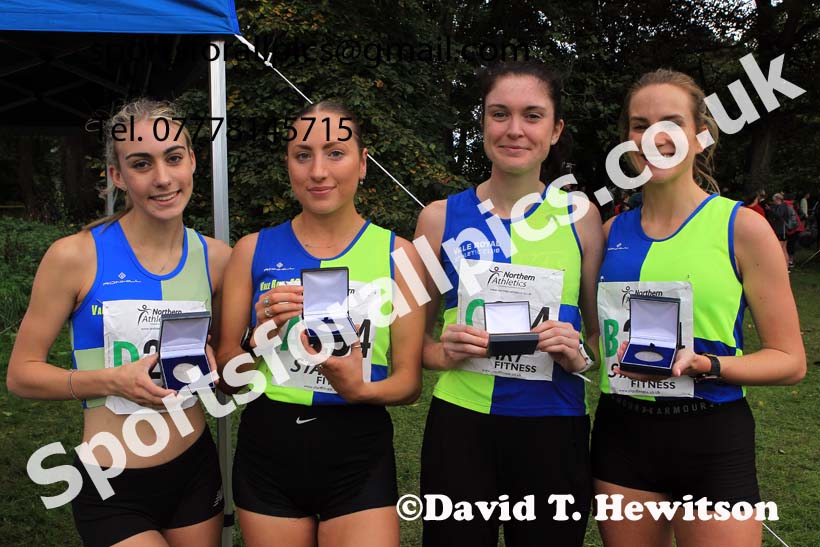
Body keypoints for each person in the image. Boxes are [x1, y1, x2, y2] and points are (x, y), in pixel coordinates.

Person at [592, 69, 806, 547]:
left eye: (671, 122)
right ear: (627, 140)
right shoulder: (609, 234)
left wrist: (707, 365)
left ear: (699, 135)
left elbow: (790, 361)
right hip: (621, 433)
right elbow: (595, 339)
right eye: (640, 124)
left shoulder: (743, 227)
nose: (654, 137)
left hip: (712, 435)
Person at [7, 98, 231, 547]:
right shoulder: (75, 256)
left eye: (173, 158)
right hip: (111, 478)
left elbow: (228, 376)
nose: (163, 178)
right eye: (141, 164)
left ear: (192, 162)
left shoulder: (218, 259)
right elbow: (21, 375)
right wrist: (111, 381)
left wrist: (218, 368)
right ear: (117, 176)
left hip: (194, 471)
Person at [216, 100, 424, 547]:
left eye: (335, 152)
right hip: (269, 449)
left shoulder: (400, 255)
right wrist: (258, 340)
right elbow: (227, 380)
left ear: (363, 163)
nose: (318, 171)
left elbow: (409, 384)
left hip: (358, 448)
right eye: (302, 154)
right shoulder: (252, 251)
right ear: (288, 166)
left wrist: (361, 390)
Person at [415, 61, 604, 546]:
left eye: (532, 115)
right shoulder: (438, 219)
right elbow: (412, 344)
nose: (514, 129)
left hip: (554, 425)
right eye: (500, 114)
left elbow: (600, 344)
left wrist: (576, 351)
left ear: (556, 129)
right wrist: (445, 351)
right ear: (483, 122)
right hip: (462, 427)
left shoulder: (582, 218)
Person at [767, 193, 791, 268]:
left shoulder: (782, 206)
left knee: (780, 249)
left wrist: (770, 210)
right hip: (782, 230)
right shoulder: (780, 206)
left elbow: (779, 215)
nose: (773, 201)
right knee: (783, 249)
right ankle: (786, 267)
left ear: (778, 199)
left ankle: (781, 267)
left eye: (774, 200)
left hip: (782, 230)